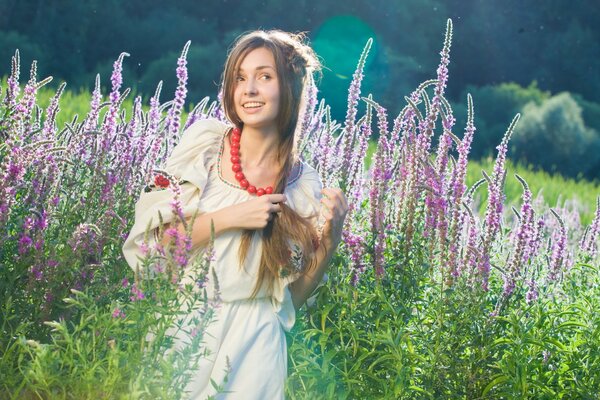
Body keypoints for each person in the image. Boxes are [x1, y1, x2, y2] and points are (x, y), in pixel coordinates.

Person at [122, 30, 348, 399]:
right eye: (240, 78)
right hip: (185, 323)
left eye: (265, 76)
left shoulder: (303, 184)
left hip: (256, 339)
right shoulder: (205, 145)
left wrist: (330, 240)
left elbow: (291, 299)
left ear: (289, 87)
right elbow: (158, 245)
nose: (250, 90)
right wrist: (231, 216)